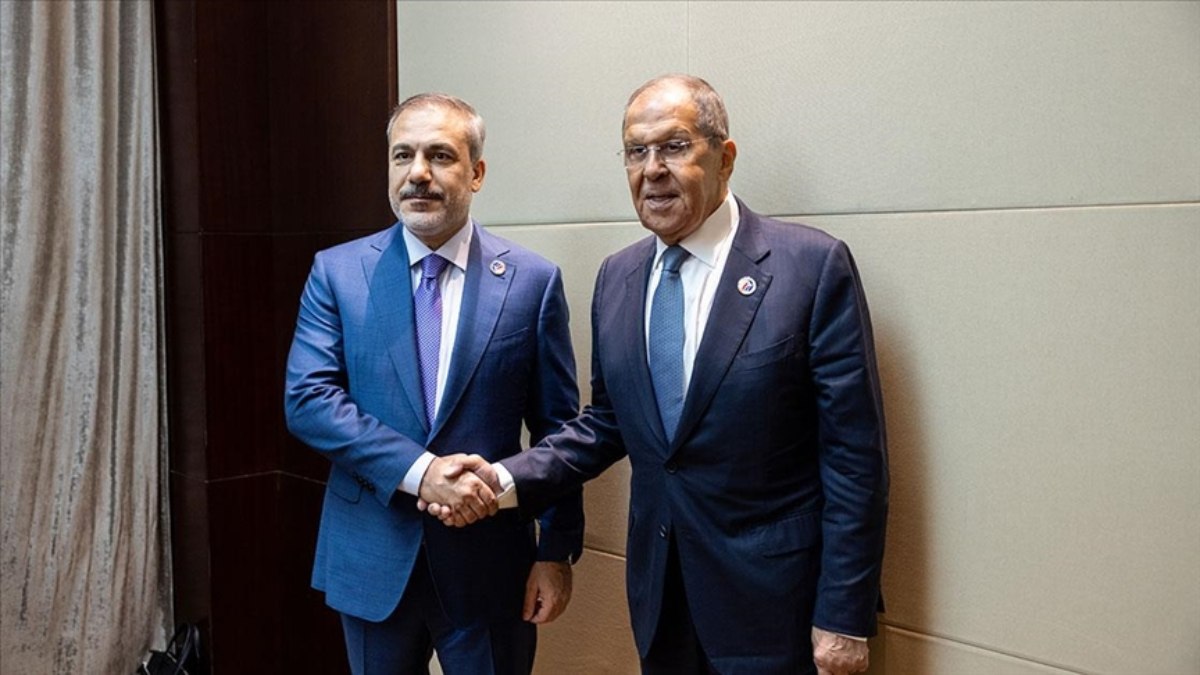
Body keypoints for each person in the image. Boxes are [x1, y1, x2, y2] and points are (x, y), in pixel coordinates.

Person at [426, 75, 889, 675]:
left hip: (779, 607)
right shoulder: (618, 277)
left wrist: (844, 616)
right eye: (635, 151)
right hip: (662, 600)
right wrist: (502, 478)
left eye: (673, 147)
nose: (652, 170)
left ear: (724, 157)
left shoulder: (811, 267)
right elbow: (606, 423)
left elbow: (855, 460)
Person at [284, 92, 583, 675]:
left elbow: (559, 430)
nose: (417, 173)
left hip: (491, 565)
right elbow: (309, 401)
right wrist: (422, 473)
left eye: (440, 155)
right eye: (403, 155)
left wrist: (555, 551)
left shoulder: (532, 282)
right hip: (373, 555)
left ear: (477, 173)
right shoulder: (337, 273)